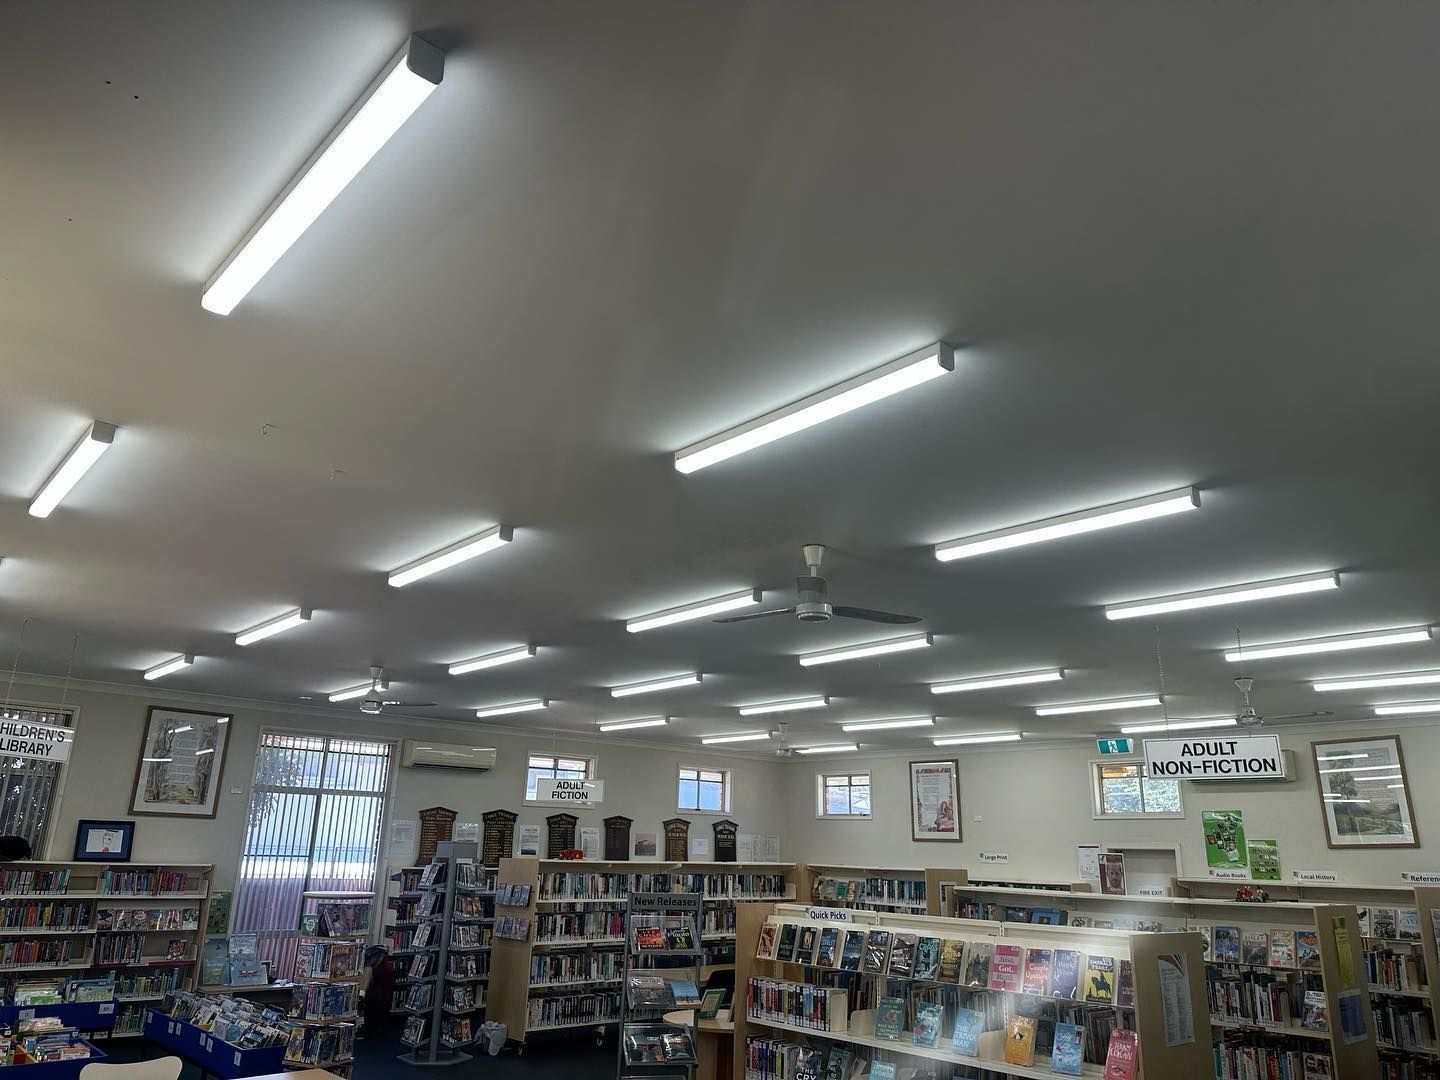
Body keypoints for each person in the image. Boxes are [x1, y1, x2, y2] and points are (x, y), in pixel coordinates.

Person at [359, 945, 395, 1039]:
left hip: (376, 995)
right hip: (381, 995)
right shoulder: (385, 967)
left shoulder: (376, 968)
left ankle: (360, 995)